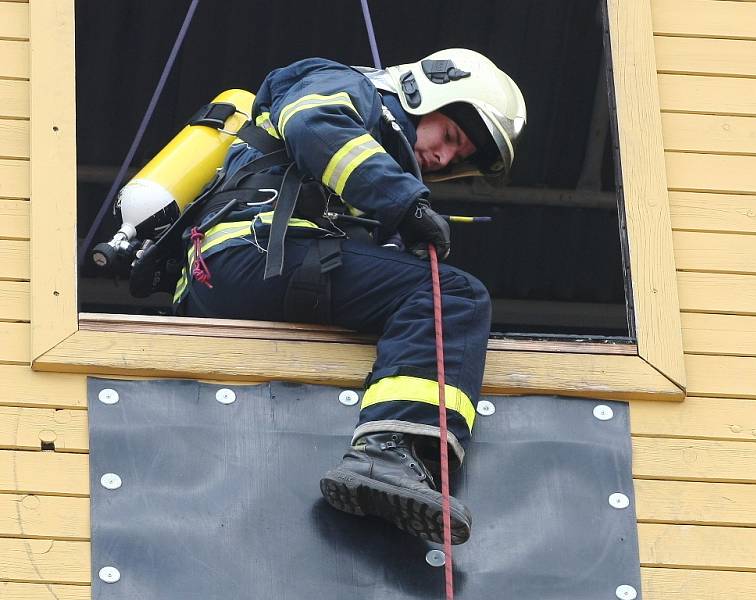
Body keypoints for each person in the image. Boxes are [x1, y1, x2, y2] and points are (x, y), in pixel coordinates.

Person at [173, 49, 526, 545]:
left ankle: (391, 459)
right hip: (258, 253)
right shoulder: (344, 84)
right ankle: (389, 452)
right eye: (449, 136)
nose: (446, 158)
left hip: (233, 275)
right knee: (455, 296)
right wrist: (406, 204)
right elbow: (315, 125)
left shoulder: (374, 154)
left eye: (458, 156)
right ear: (426, 93)